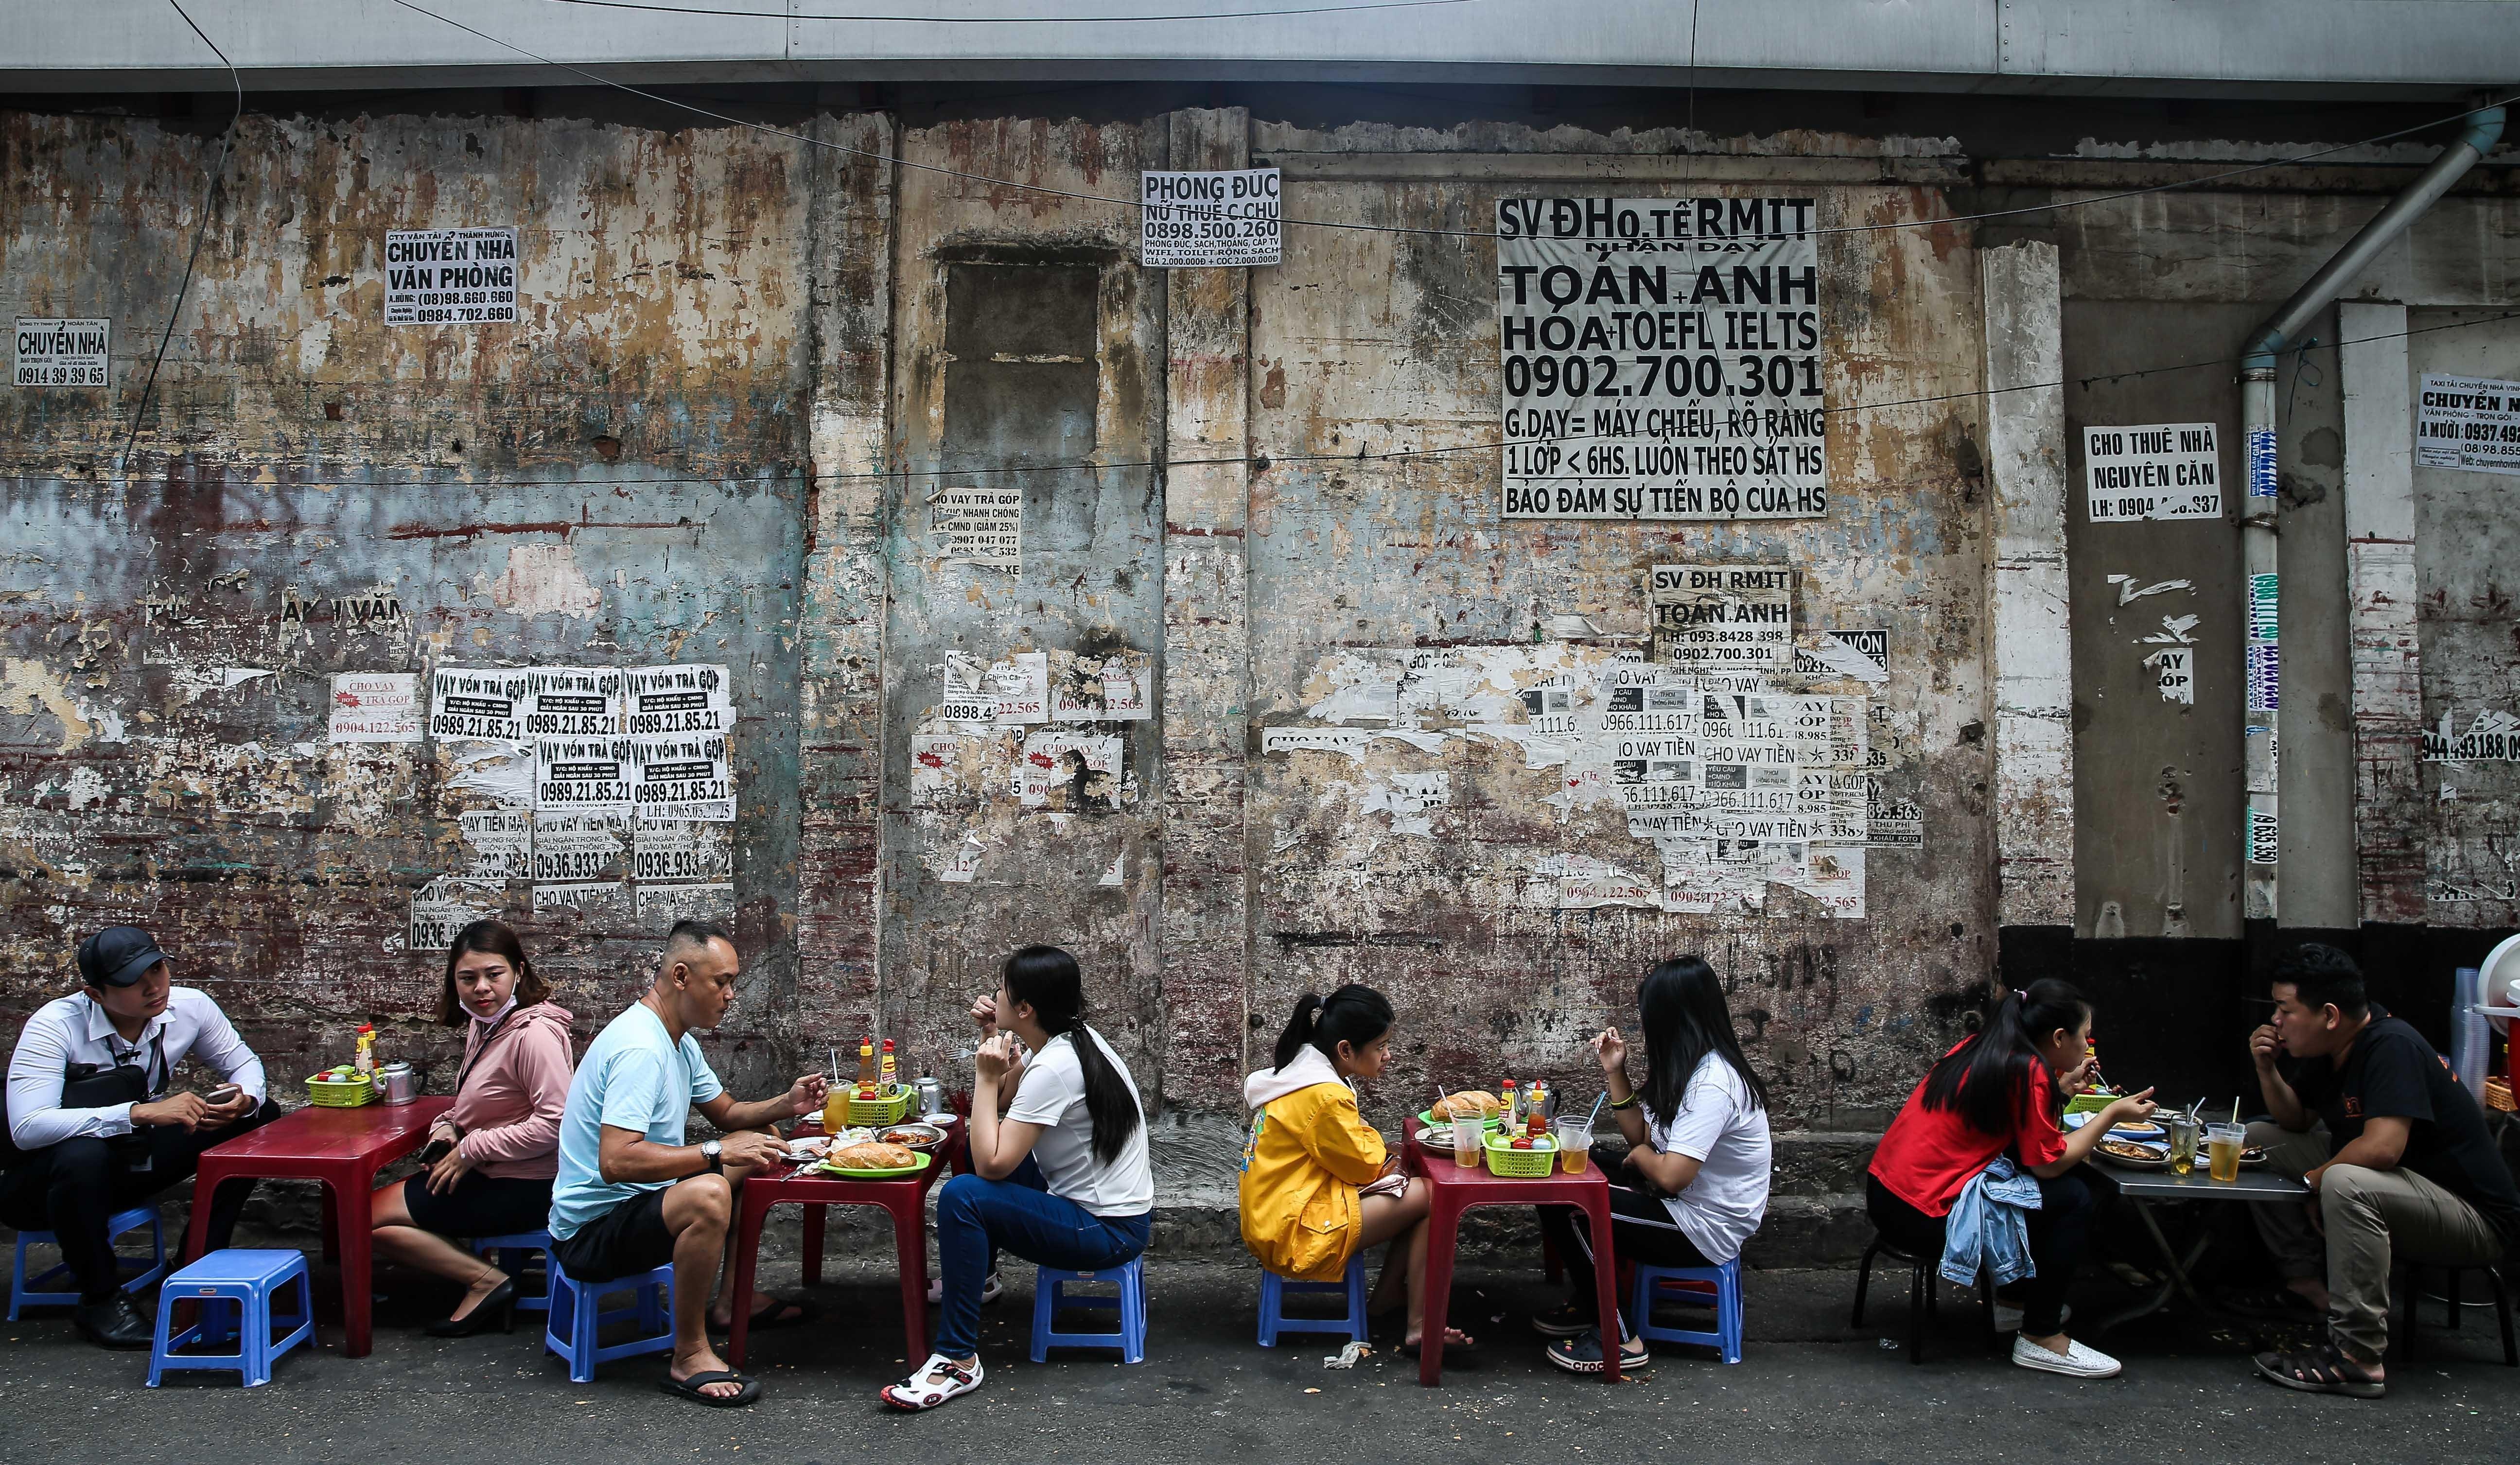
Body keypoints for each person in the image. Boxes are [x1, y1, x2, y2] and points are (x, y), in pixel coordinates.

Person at [545, 920, 829, 1408]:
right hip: (590, 1233)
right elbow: (615, 1161)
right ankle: (690, 1352)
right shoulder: (641, 1048)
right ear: (681, 976)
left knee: (760, 1141)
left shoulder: (677, 1039)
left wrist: (787, 1103)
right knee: (710, 1192)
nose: (731, 993)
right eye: (721, 981)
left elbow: (727, 1114)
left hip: (636, 1206)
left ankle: (731, 1301)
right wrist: (716, 1153)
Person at [882, 945, 1154, 1412]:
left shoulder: (1055, 1065)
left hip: (1105, 1232)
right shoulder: (1070, 1039)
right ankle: (981, 1278)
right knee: (979, 1145)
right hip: (1108, 1214)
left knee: (965, 1192)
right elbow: (1012, 1105)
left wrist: (983, 1079)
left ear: (1026, 1008)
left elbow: (992, 1161)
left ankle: (956, 1360)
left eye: (1001, 991)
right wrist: (996, 1040)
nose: (993, 996)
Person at [2244, 943, 2520, 1398]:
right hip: (2407, 1191)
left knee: (2345, 1181)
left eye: (2284, 1009)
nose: (2275, 1021)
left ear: (2330, 1015)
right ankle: (2306, 1286)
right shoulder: (2333, 1049)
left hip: (2474, 1218)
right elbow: (2295, 1122)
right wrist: (2266, 1069)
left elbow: (2383, 1149)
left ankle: (2357, 1356)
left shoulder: (2391, 1045)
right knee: (2259, 1137)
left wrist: (2316, 1181)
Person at [1, 925, 278, 1348]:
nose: (153, 987)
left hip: (130, 1162)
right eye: (132, 982)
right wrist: (139, 1112)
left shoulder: (189, 1006)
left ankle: (194, 1263)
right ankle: (100, 1298)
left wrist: (243, 1097)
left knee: (260, 1117)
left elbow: (244, 1063)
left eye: (158, 969)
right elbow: (27, 1128)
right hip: (43, 1188)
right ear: (95, 994)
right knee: (83, 1156)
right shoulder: (55, 1026)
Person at [1865, 977, 2155, 1379]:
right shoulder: (2027, 1069)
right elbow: (2048, 1163)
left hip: (1887, 1194)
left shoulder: (1984, 1047)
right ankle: (2042, 1336)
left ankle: (2016, 1303)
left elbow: (2020, 1134)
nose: (2089, 1047)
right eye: (2085, 1038)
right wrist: (2111, 1115)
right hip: (1923, 1213)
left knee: (2035, 1180)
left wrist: (2062, 1090)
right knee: (2074, 1195)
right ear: (2058, 1037)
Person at [1531, 955, 1771, 1376]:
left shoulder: (1714, 1082)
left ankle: (1620, 1338)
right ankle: (1593, 1302)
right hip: (1678, 1202)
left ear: (1673, 1019)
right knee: (1561, 1173)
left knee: (1570, 1207)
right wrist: (1615, 1070)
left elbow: (1671, 1174)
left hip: (1702, 1227)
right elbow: (1641, 1137)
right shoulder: (1690, 1067)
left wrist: (1641, 1159)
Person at [1238, 986, 1473, 1359]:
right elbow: (1364, 1165)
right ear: (1346, 1050)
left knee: (1418, 1193)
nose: (1387, 1055)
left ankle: (1389, 1296)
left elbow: (1352, 1148)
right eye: (1380, 1046)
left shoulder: (1303, 1071)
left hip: (1276, 1212)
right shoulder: (1324, 1096)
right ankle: (1418, 1326)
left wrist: (1375, 1145)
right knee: (1434, 1195)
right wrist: (1381, 1148)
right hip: (1293, 1229)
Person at [368, 920, 575, 1335]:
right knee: (363, 1210)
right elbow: (480, 1105)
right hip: (492, 1170)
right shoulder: (488, 1025)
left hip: (527, 1184)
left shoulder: (533, 1035)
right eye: (468, 978)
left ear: (518, 971)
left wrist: (471, 1148)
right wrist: (447, 1130)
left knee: (361, 1218)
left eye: (493, 975)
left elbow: (556, 1123)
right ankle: (476, 1275)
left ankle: (486, 1282)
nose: (482, 988)